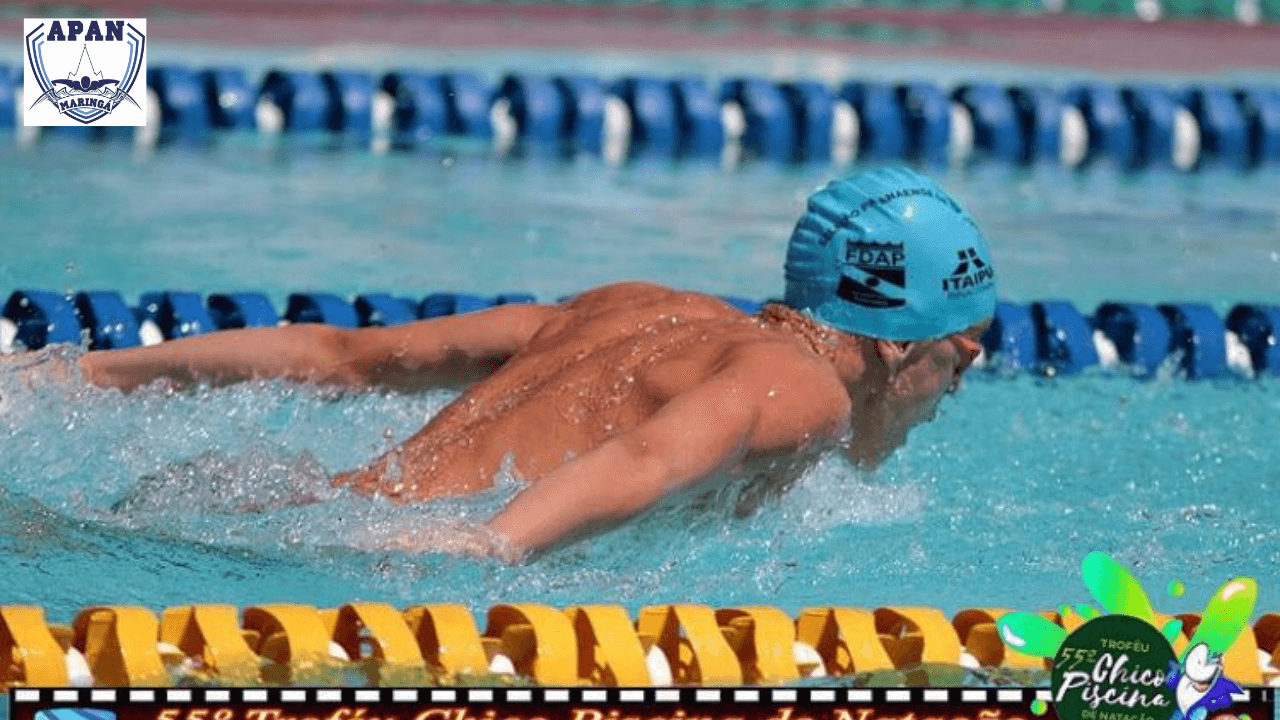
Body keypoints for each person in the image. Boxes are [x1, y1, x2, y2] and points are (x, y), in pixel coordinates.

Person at [73, 167, 997, 561]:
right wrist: (487, 548)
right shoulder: (802, 392)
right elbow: (654, 460)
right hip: (371, 554)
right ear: (895, 343)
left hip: (297, 497)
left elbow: (347, 357)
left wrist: (93, 375)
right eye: (963, 345)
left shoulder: (643, 308)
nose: (976, 360)